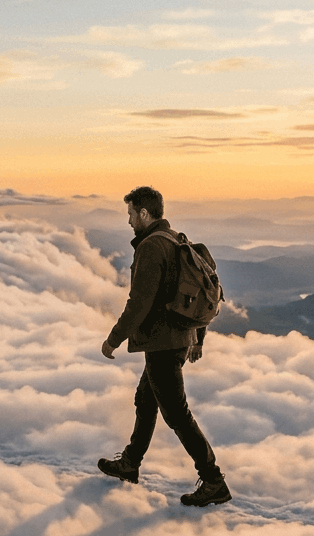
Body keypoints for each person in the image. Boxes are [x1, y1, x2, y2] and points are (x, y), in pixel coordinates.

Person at [98, 186, 231, 507]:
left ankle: (213, 480)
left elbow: (139, 302)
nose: (129, 222)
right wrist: (197, 338)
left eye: (131, 215)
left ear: (144, 214)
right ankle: (130, 463)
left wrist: (113, 338)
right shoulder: (174, 240)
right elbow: (192, 293)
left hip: (163, 342)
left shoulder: (152, 247)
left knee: (177, 413)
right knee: (145, 399)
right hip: (176, 339)